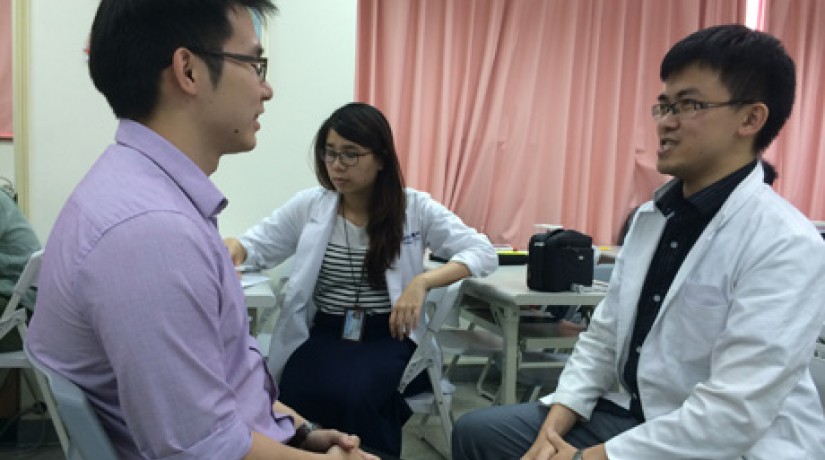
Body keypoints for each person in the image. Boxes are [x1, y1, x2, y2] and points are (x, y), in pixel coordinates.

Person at [452, 24, 825, 460]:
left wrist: (585, 458)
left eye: (688, 105)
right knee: (478, 434)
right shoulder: (653, 219)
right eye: (664, 105)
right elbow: (604, 336)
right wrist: (556, 421)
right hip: (638, 412)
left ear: (750, 119)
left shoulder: (786, 243)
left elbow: (733, 414)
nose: (665, 122)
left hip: (734, 444)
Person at [27, 2, 377, 459]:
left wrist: (300, 430)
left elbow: (220, 387)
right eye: (254, 64)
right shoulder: (151, 233)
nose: (266, 89)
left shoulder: (141, 193)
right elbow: (202, 449)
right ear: (188, 70)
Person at [224, 102, 498, 456]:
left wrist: (422, 283)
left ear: (381, 158)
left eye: (351, 155)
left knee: (357, 394)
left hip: (389, 333)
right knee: (293, 388)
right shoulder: (312, 206)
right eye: (330, 153)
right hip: (325, 329)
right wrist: (234, 248)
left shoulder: (414, 208)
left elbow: (481, 252)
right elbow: (256, 244)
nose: (337, 165)